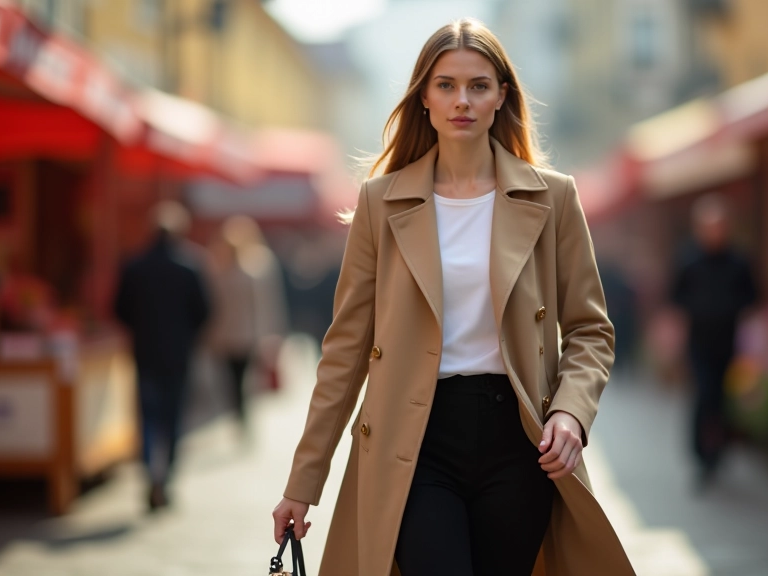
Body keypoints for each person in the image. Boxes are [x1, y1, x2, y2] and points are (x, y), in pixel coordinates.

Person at [271, 18, 635, 576]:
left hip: (520, 441)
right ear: (423, 98)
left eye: (478, 85)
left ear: (501, 97)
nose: (461, 100)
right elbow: (345, 350)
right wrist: (303, 482)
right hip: (412, 443)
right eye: (445, 85)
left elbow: (590, 329)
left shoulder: (553, 197)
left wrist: (570, 412)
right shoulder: (380, 203)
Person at [114, 201, 211, 511]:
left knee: (148, 416)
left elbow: (119, 308)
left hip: (144, 352)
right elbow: (204, 311)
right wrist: (187, 336)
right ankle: (165, 475)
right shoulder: (191, 265)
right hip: (179, 354)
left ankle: (148, 473)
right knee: (172, 417)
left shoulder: (135, 264)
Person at [671, 194, 757, 488]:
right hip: (698, 341)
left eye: (719, 226)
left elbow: (753, 295)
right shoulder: (689, 259)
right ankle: (700, 456)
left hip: (729, 341)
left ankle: (719, 453)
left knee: (721, 399)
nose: (715, 232)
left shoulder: (738, 261)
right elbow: (676, 296)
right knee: (703, 395)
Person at [206, 215, 289, 431]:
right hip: (241, 335)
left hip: (236, 335)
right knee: (237, 381)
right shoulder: (235, 266)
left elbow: (265, 305)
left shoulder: (241, 266)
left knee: (237, 381)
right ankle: (240, 416)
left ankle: (240, 416)